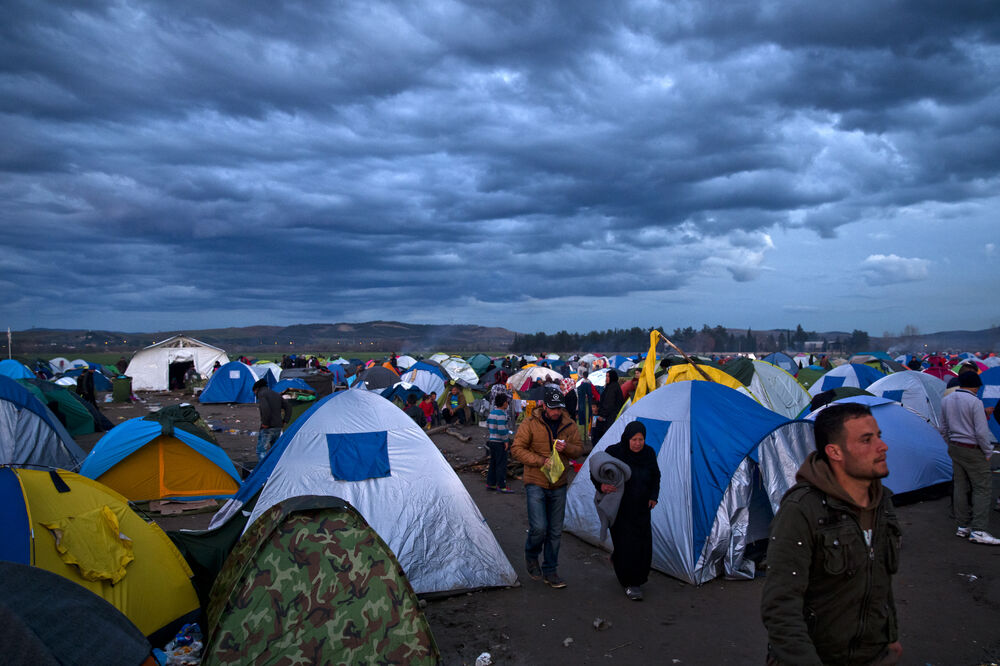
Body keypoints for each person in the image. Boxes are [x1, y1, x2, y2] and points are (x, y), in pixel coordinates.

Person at [761, 403, 902, 666]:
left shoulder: (882, 502)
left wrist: (890, 635)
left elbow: (880, 579)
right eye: (866, 440)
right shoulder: (802, 510)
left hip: (872, 655)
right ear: (835, 452)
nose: (882, 447)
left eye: (879, 436)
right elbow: (780, 606)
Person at [511, 386, 584, 589]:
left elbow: (579, 450)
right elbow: (517, 449)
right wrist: (540, 460)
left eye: (559, 408)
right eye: (552, 408)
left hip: (559, 484)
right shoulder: (530, 423)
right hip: (535, 481)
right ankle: (531, 555)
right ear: (544, 406)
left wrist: (566, 448)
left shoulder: (569, 425)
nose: (556, 412)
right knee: (539, 528)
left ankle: (550, 570)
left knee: (555, 531)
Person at [591, 421, 660, 600]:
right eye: (634, 439)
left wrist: (654, 496)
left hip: (642, 508)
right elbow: (595, 470)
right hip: (620, 509)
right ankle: (630, 583)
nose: (638, 443)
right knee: (626, 546)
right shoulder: (615, 452)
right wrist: (601, 486)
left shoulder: (649, 453)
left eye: (641, 439)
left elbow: (655, 476)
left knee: (643, 547)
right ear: (627, 438)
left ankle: (637, 577)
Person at [940, 371, 998, 544]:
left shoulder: (946, 400)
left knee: (960, 485)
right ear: (975, 386)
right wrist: (988, 452)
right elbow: (981, 432)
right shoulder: (975, 402)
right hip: (972, 449)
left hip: (955, 446)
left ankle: (962, 526)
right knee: (982, 487)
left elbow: (943, 427)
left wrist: (949, 443)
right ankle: (979, 530)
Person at [252, 379, 292, 462]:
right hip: (278, 426)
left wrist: (265, 423)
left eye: (254, 392)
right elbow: (288, 407)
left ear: (256, 389)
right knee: (274, 450)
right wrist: (285, 420)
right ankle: (274, 468)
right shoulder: (275, 394)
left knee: (261, 450)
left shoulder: (261, 394)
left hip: (268, 427)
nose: (255, 394)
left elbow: (265, 409)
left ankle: (263, 470)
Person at [485, 393, 515, 493]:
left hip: (492, 440)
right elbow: (502, 429)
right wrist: (506, 441)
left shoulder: (492, 413)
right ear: (503, 403)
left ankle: (491, 483)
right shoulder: (502, 414)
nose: (508, 404)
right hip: (499, 442)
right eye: (507, 402)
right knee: (501, 464)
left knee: (493, 462)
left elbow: (487, 425)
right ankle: (502, 486)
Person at [591, 369, 623, 445]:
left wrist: (601, 415)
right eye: (606, 376)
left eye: (608, 376)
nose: (606, 378)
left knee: (598, 434)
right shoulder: (610, 386)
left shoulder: (613, 388)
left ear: (612, 377)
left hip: (608, 417)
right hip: (604, 415)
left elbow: (609, 404)